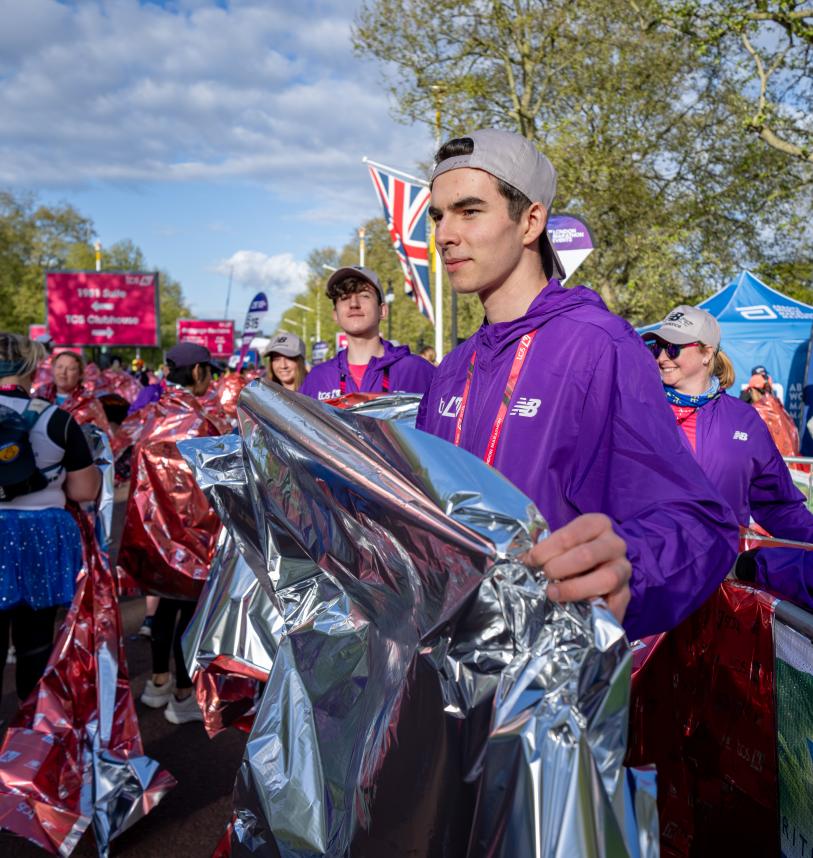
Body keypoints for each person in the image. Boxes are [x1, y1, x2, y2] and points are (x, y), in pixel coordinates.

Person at [416, 129, 739, 641]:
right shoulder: (453, 368)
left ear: (531, 221)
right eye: (438, 215)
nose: (444, 235)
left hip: (552, 685)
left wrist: (631, 565)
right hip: (450, 673)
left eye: (469, 211)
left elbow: (702, 525)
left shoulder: (600, 345)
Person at [120, 341, 228, 724]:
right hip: (190, 533)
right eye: (208, 372)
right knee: (187, 610)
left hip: (150, 529)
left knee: (164, 606)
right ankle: (183, 693)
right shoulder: (199, 418)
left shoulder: (152, 412)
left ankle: (158, 682)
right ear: (198, 371)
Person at [0, 333, 101, 701]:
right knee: (36, 642)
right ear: (33, 367)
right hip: (42, 534)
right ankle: (30, 736)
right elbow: (84, 491)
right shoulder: (57, 418)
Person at [299, 267, 435, 400]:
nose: (354, 304)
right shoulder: (317, 379)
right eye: (345, 297)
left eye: (364, 295)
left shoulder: (416, 371)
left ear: (382, 311)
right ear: (335, 314)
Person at [35, 351, 113, 436]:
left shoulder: (90, 403)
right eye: (59, 367)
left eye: (71, 369)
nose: (63, 373)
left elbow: (103, 439)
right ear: (53, 369)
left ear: (80, 374)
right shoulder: (38, 395)